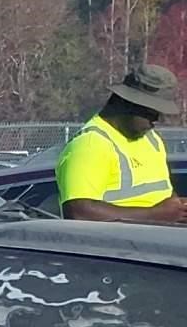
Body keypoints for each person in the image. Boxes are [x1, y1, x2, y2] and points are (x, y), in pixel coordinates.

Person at [56, 64, 187, 224]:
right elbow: (79, 212)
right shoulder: (91, 144)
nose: (155, 120)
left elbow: (162, 193)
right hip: (116, 246)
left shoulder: (151, 139)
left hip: (154, 242)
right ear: (125, 103)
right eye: (150, 112)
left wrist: (178, 209)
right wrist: (156, 215)